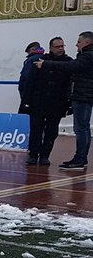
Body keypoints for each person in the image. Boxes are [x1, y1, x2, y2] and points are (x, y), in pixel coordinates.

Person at [29, 34, 86, 169]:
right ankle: (33, 154)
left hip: (57, 103)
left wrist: (68, 103)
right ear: (51, 48)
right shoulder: (40, 60)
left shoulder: (69, 62)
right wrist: (27, 101)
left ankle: (45, 155)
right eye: (57, 46)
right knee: (36, 129)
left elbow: (71, 84)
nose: (60, 49)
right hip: (39, 101)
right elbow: (30, 82)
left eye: (62, 46)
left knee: (51, 131)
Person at [19, 42, 45, 114]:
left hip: (30, 94)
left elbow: (26, 77)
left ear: (32, 50)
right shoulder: (43, 58)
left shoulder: (31, 60)